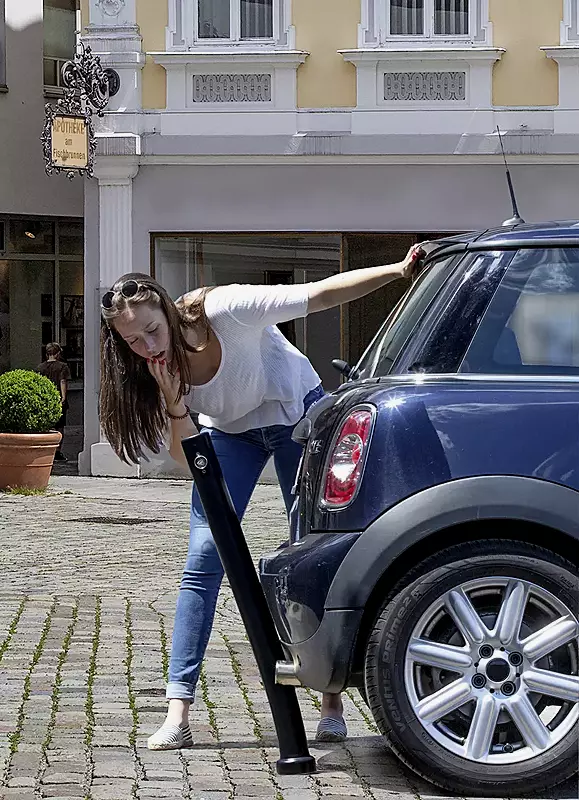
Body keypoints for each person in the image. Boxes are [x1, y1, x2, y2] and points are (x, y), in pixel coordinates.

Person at [98, 243, 423, 750]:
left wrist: (399, 269)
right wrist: (175, 403)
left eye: (152, 331)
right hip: (229, 433)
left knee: (307, 552)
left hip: (297, 415)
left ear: (165, 305)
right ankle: (178, 709)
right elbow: (190, 467)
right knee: (203, 559)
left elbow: (316, 295)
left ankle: (330, 699)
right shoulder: (148, 368)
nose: (147, 347)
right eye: (133, 341)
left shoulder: (223, 309)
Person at [38, 342, 70, 462]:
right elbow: (63, 381)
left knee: (46, 425)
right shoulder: (62, 367)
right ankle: (57, 451)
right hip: (57, 398)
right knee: (60, 427)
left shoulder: (40, 367)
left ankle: (46, 450)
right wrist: (63, 397)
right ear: (57, 354)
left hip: (46, 399)